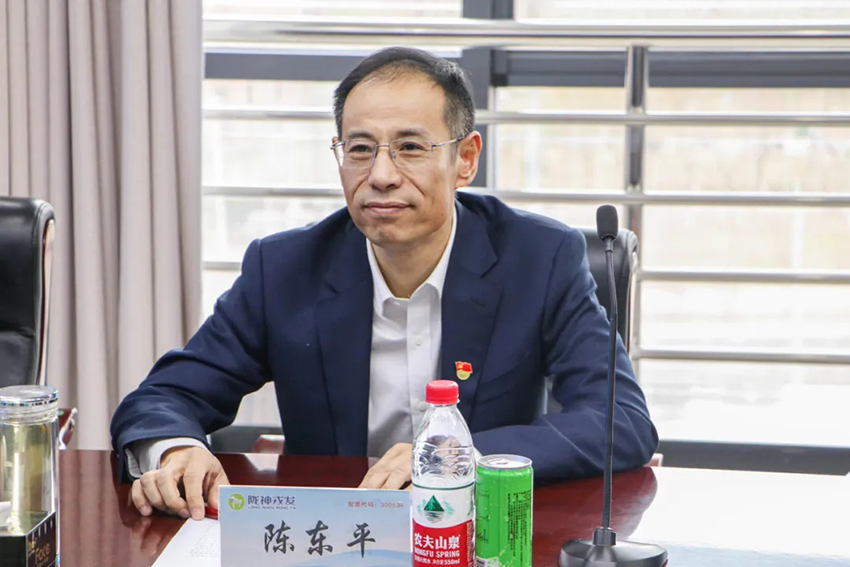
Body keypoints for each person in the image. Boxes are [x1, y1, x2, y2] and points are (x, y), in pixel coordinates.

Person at [110, 46, 658, 522]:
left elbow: (622, 423)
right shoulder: (284, 269)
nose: (381, 175)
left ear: (466, 159)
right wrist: (175, 451)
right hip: (334, 536)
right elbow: (164, 397)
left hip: (479, 534)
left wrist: (460, 457)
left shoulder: (539, 259)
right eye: (360, 149)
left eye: (411, 148)